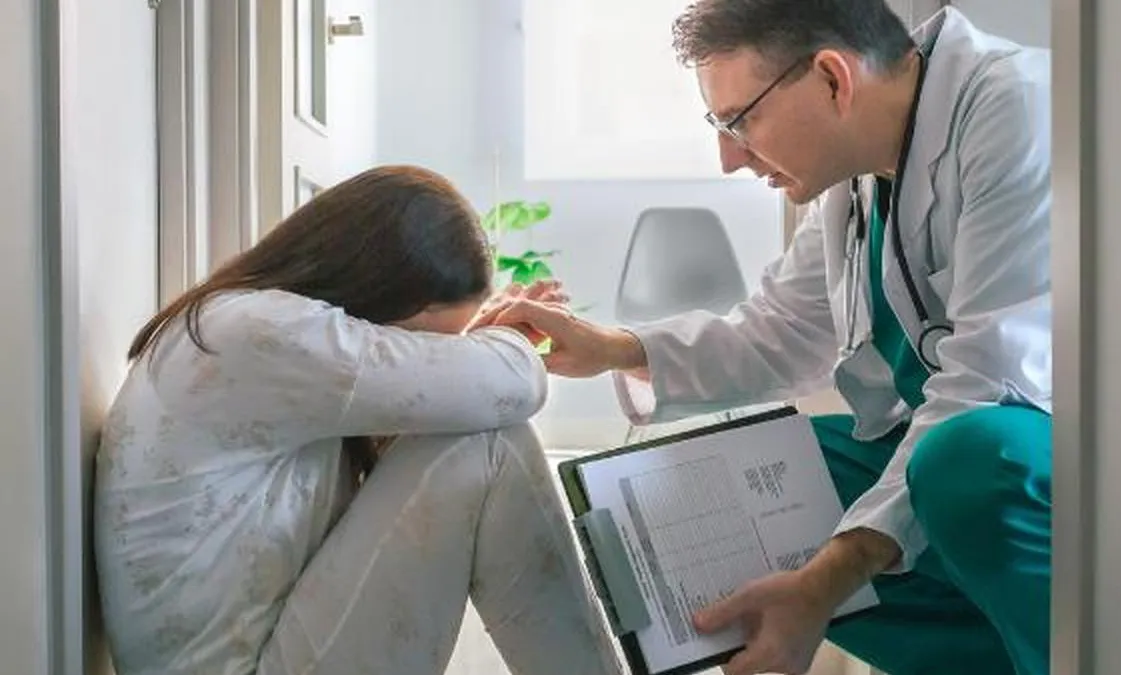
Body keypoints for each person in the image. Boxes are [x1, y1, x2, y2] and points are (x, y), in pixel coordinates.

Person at [480, 2, 1051, 674]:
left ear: (833, 79)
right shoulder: (858, 177)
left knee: (963, 458)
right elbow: (778, 333)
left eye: (739, 121)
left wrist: (828, 577)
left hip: (1052, 453)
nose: (728, 158)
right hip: (963, 449)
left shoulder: (1014, 110)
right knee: (746, 486)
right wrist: (613, 347)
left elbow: (989, 384)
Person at [93, 165, 623, 675]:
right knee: (489, 443)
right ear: (379, 292)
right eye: (421, 340)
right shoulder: (260, 332)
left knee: (477, 429)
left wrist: (468, 355)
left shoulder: (245, 328)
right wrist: (496, 345)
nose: (421, 352)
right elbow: (513, 383)